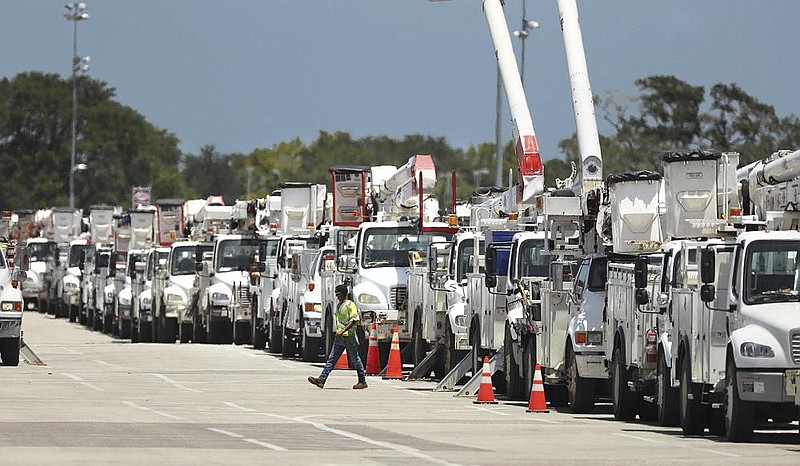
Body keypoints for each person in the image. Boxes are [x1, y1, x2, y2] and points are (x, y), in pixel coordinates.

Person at [308, 284, 368, 389]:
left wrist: (343, 330)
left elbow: (354, 320)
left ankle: (362, 381)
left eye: (338, 294)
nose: (337, 296)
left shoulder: (350, 305)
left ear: (344, 294)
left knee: (355, 359)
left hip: (349, 337)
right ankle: (322, 379)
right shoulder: (339, 305)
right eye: (336, 294)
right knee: (331, 359)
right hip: (340, 337)